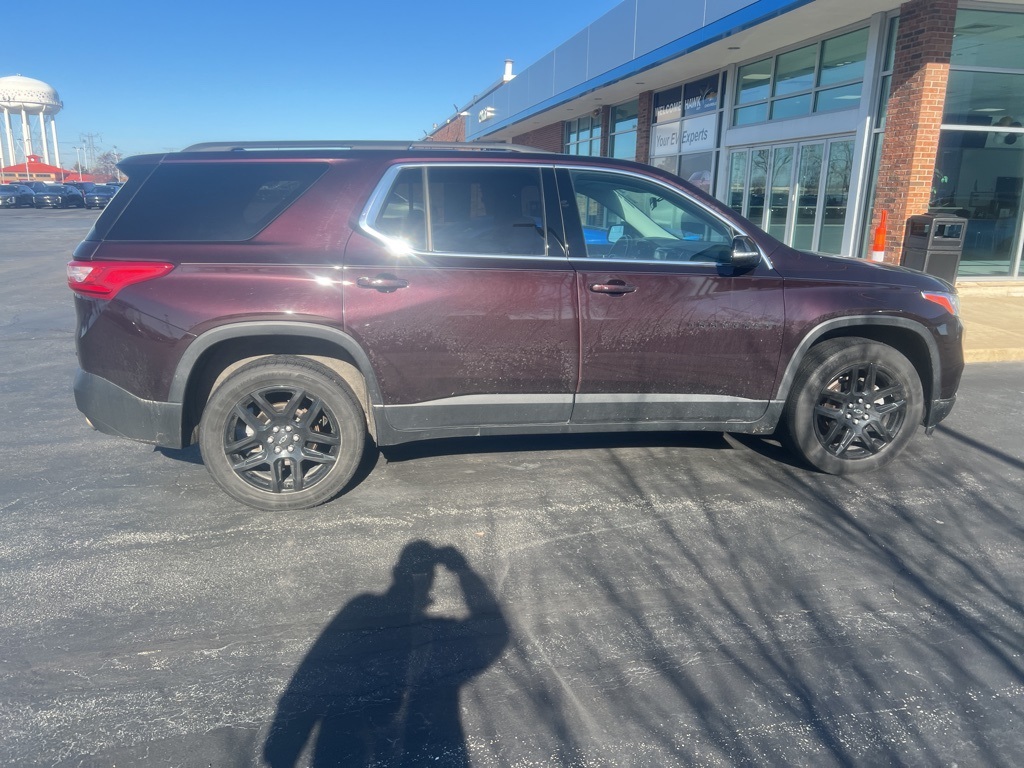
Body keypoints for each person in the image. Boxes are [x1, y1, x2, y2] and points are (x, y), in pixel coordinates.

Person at [264, 541, 509, 767]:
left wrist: (282, 748)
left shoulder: (365, 611)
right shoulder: (422, 629)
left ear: (396, 572)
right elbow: (494, 633)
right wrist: (463, 571)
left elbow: (313, 671)